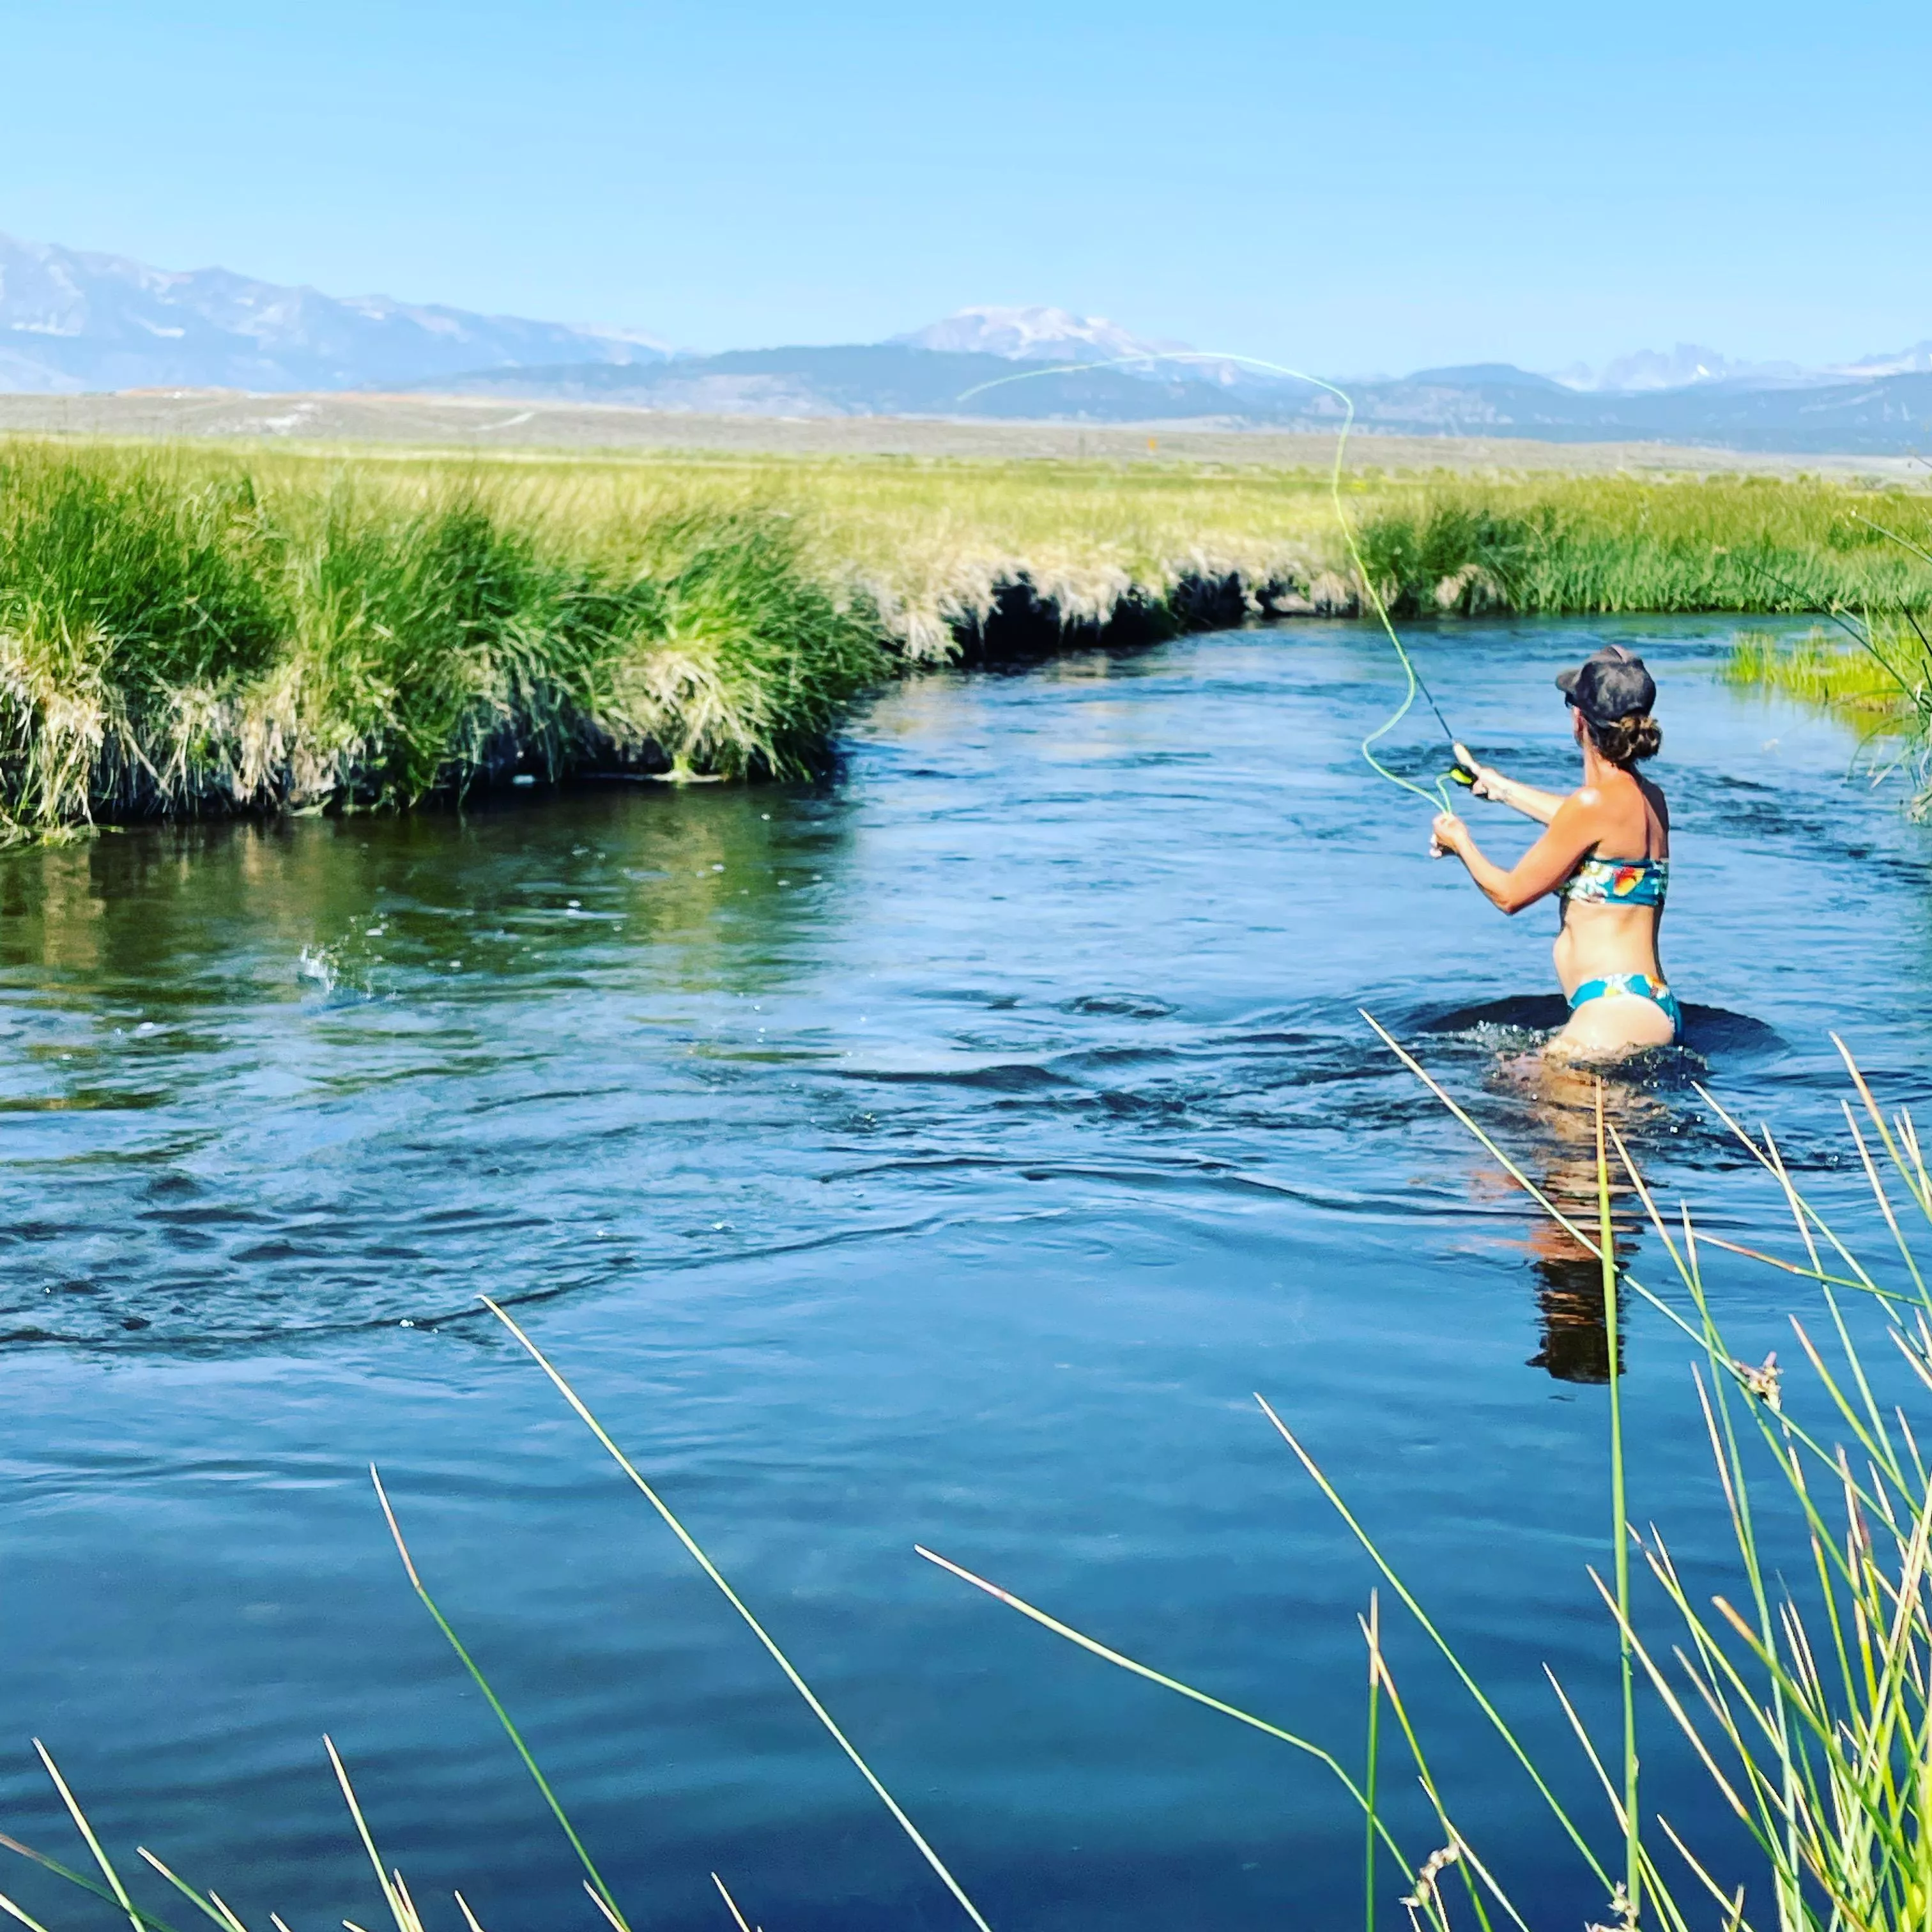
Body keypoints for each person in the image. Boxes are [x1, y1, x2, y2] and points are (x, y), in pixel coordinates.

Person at [1429, 645, 1678, 1057]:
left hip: (1611, 1015)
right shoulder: (1650, 800)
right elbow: (1581, 824)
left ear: (1579, 719)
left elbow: (1509, 895)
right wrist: (1502, 787)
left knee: (1510, 1101)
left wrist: (1460, 842)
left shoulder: (1592, 805)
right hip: (1647, 1003)